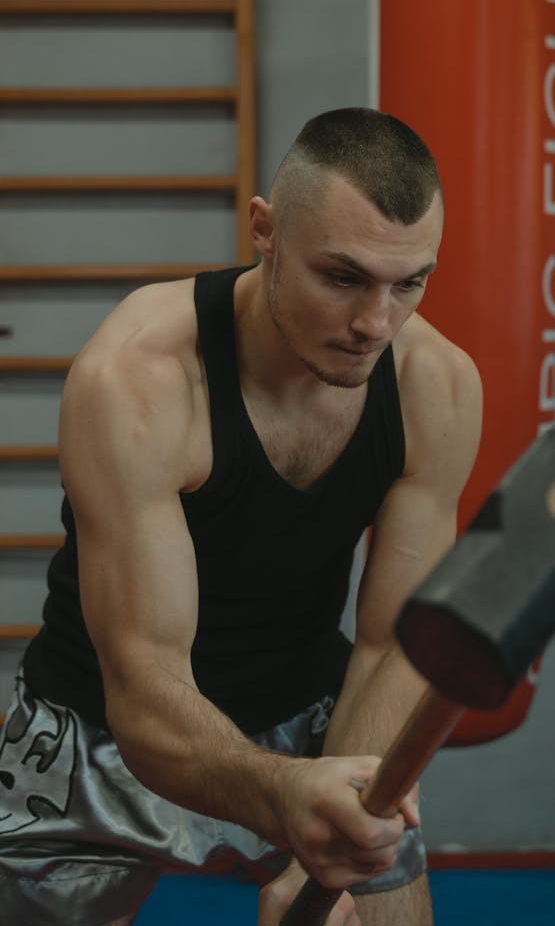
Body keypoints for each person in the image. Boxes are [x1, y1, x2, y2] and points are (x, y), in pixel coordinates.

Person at [0, 107, 482, 926]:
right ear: (265, 229)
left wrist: (346, 805)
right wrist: (284, 800)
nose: (376, 322)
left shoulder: (438, 386)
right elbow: (145, 683)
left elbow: (392, 639)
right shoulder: (140, 378)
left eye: (409, 282)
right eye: (342, 276)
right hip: (101, 727)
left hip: (310, 717)